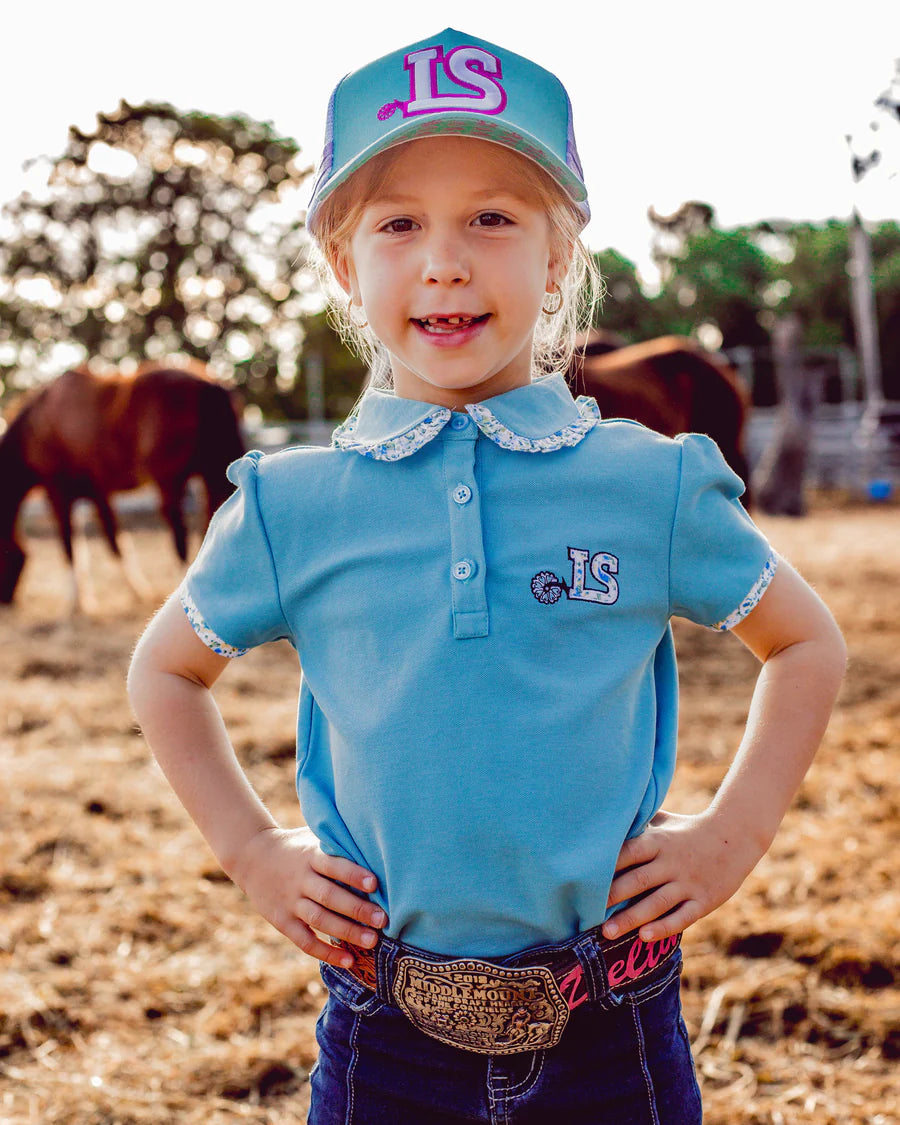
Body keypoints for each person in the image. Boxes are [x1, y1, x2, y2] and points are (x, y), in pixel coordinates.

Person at [127, 28, 847, 1124]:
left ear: (558, 259)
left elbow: (806, 643)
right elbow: (164, 674)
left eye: (493, 220)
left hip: (613, 1021)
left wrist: (732, 833)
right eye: (399, 224)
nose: (446, 261)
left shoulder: (644, 485)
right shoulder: (291, 506)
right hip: (382, 1033)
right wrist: (253, 850)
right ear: (343, 265)